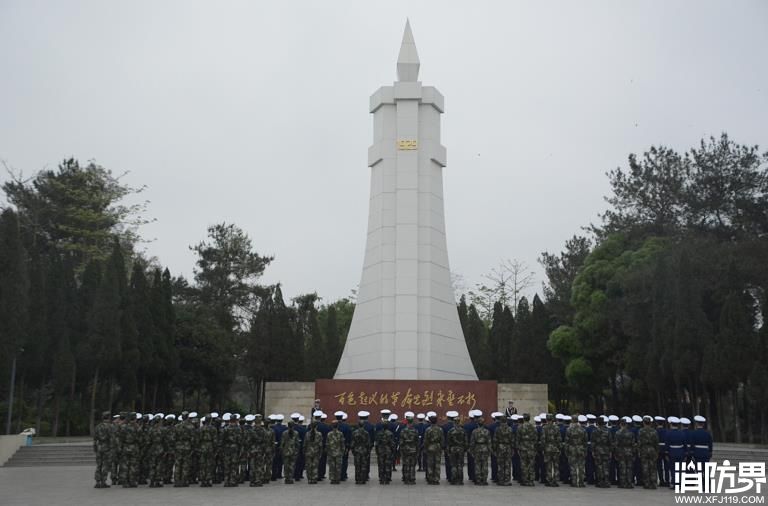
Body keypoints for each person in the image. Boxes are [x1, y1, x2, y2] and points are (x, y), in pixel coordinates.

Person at [491, 412, 513, 486]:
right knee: (507, 464)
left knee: (500, 464)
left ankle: (501, 480)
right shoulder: (510, 429)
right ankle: (507, 480)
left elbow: (495, 440)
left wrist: (494, 449)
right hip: (508, 447)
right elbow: (512, 440)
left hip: (500, 447)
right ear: (506, 421)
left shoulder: (497, 429)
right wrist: (512, 448)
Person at [565, 414, 587, 487]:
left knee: (573, 466)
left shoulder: (569, 429)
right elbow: (585, 441)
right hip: (581, 449)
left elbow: (567, 441)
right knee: (581, 466)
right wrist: (584, 450)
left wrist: (566, 451)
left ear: (572, 420)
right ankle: (581, 482)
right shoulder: (583, 429)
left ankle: (574, 482)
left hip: (572, 449)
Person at [638, 415, 659, 489]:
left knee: (645, 467)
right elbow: (656, 442)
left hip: (644, 449)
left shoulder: (641, 431)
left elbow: (639, 442)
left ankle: (646, 483)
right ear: (650, 423)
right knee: (653, 467)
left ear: (644, 423)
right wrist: (657, 451)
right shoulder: (654, 431)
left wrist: (639, 451)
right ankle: (653, 483)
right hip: (652, 449)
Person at [615, 417, 637, 489]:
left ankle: (623, 483)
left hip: (621, 452)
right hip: (629, 451)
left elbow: (616, 444)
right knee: (629, 468)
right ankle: (629, 483)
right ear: (626, 424)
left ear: (620, 424)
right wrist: (634, 453)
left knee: (622, 468)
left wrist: (616, 453)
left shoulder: (618, 433)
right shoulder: (630, 433)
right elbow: (633, 444)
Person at [93, 411, 113, 488]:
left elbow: (95, 439)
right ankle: (103, 481)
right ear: (108, 417)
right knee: (105, 465)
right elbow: (112, 438)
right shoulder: (110, 426)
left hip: (99, 447)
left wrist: (95, 448)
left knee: (99, 465)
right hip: (107, 447)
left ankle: (97, 482)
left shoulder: (98, 426)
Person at [591, 416, 612, 488]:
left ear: (597, 423)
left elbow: (593, 442)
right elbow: (610, 442)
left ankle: (600, 482)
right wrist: (610, 451)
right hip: (606, 450)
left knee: (599, 466)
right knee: (606, 466)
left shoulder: (594, 431)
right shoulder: (607, 431)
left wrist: (593, 451)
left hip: (597, 451)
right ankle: (606, 481)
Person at [516, 413, 537, 486]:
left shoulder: (520, 427)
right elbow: (535, 438)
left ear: (523, 419)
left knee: (524, 464)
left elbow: (518, 439)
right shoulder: (533, 427)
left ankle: (525, 480)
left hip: (523, 448)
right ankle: (531, 480)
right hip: (531, 447)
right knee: (531, 464)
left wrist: (518, 447)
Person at [446, 411, 466, 485]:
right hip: (461, 449)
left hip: (453, 449)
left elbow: (448, 442)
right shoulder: (463, 430)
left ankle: (453, 480)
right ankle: (460, 480)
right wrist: (465, 449)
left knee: (454, 465)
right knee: (460, 465)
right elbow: (465, 441)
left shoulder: (450, 431)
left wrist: (448, 450)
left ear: (454, 422)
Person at [351, 411, 372, 484]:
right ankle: (364, 478)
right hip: (364, 451)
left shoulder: (354, 432)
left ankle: (357, 479)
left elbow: (352, 443)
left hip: (357, 451)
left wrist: (353, 451)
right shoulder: (367, 430)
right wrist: (368, 450)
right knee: (364, 464)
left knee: (357, 465)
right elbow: (368, 442)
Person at [424, 411, 444, 485]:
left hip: (430, 447)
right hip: (438, 447)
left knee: (430, 464)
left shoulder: (428, 429)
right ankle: (436, 479)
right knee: (437, 464)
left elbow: (426, 440)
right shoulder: (440, 429)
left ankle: (430, 478)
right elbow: (442, 440)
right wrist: (441, 447)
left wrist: (425, 448)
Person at [470, 415, 491, 485]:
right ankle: (484, 480)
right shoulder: (487, 431)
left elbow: (472, 442)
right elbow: (489, 442)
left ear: (477, 423)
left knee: (477, 465)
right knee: (485, 464)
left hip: (477, 448)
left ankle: (478, 480)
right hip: (485, 448)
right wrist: (489, 450)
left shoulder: (474, 431)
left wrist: (472, 450)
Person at [399, 412, 419, 485]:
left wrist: (401, 450)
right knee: (412, 465)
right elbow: (417, 442)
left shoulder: (403, 431)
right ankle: (412, 479)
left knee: (406, 464)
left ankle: (406, 478)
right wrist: (417, 450)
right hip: (413, 450)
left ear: (407, 421)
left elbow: (401, 442)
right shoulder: (415, 431)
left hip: (405, 450)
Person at [542, 414, 561, 487]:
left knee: (548, 466)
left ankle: (549, 480)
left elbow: (543, 440)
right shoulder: (557, 428)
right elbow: (559, 439)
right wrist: (559, 448)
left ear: (547, 419)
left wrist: (543, 448)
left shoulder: (544, 428)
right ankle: (555, 481)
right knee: (556, 465)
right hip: (555, 449)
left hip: (547, 449)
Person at [303, 412, 323, 484]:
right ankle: (314, 478)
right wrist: (320, 452)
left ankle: (309, 479)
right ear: (316, 426)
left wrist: (304, 451)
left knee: (308, 466)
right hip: (316, 452)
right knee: (315, 466)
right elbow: (320, 444)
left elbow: (305, 444)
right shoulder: (319, 434)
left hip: (308, 452)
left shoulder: (307, 434)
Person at [374, 414, 394, 484]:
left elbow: (376, 443)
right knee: (388, 465)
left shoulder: (379, 433)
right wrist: (392, 451)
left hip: (380, 451)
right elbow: (392, 444)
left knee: (381, 465)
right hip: (388, 451)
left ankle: (381, 478)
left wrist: (377, 451)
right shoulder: (390, 433)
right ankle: (388, 478)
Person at [326, 420, 345, 484]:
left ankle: (332, 479)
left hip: (331, 452)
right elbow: (342, 443)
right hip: (338, 452)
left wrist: (328, 451)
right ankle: (337, 479)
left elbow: (327, 444)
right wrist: (342, 451)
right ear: (338, 426)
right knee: (338, 466)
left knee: (332, 466)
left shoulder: (329, 434)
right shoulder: (340, 433)